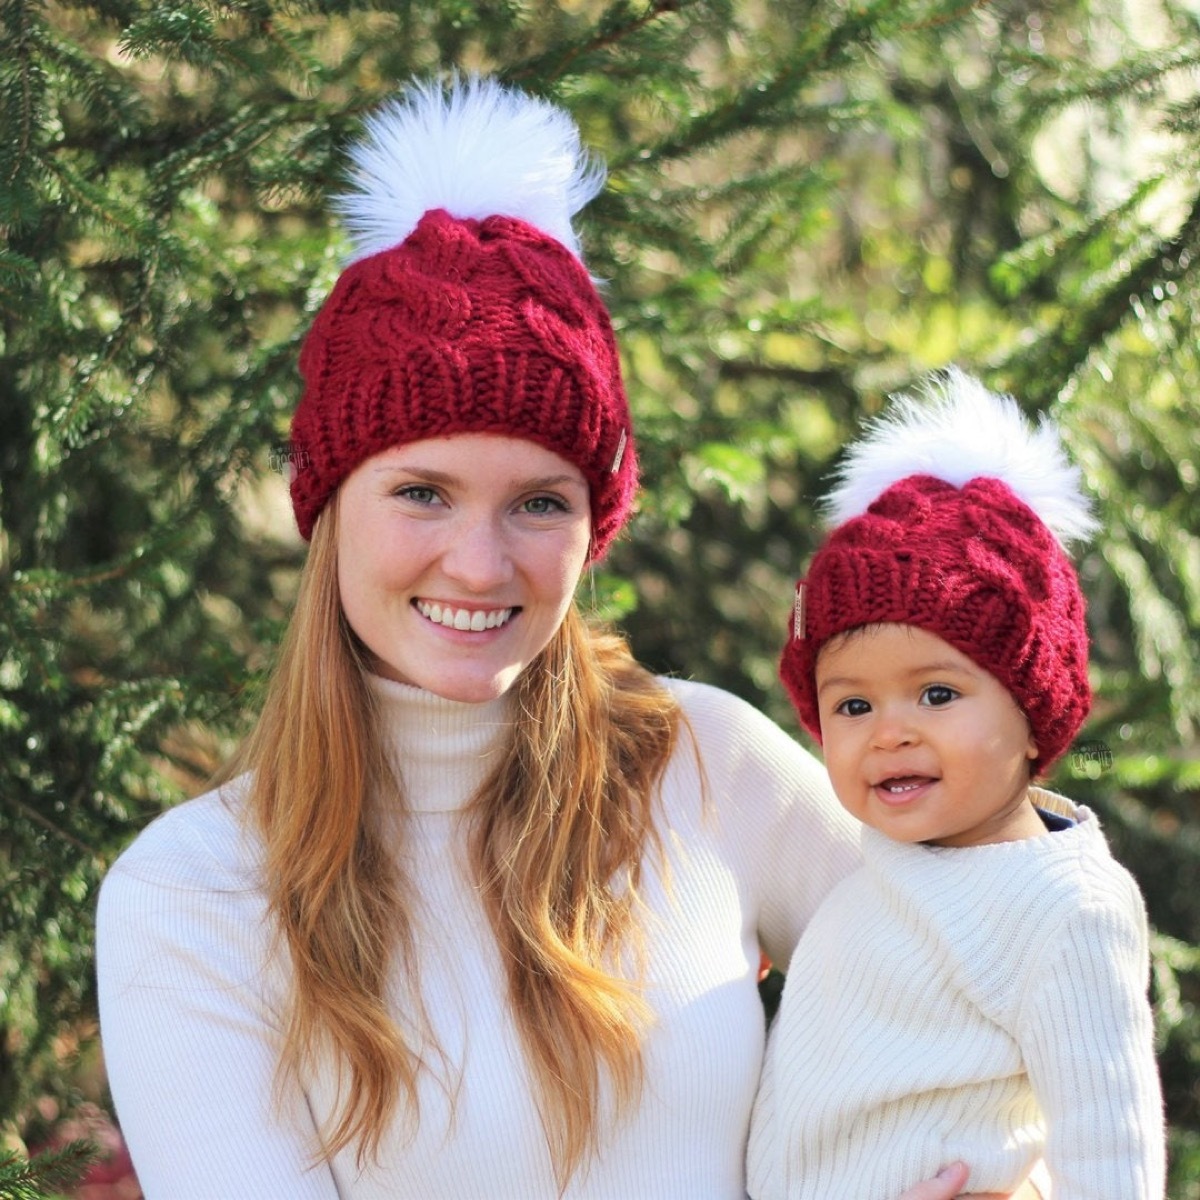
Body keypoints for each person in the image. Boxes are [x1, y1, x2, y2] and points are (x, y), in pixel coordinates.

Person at [96, 76, 1042, 1200]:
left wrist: (1003, 1179)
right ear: (328, 504)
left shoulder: (704, 762)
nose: (482, 564)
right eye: (423, 493)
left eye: (539, 502)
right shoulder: (196, 893)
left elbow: (1003, 962)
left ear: (596, 526)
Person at [747, 369, 1166, 1200]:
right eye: (853, 704)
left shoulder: (1064, 905)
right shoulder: (881, 863)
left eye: (937, 694)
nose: (890, 730)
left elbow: (1111, 1147)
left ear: (1031, 707)